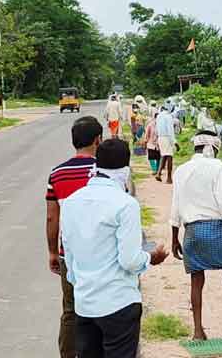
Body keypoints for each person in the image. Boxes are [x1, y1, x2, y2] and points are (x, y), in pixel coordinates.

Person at [61, 139, 169, 358]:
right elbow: (129, 260)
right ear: (126, 169)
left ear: (96, 164)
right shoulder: (125, 204)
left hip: (85, 304)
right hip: (118, 303)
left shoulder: (72, 202)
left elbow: (69, 255)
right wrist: (150, 257)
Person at [170, 131, 222, 341]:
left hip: (191, 232)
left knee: (197, 280)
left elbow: (175, 206)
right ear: (211, 148)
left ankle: (198, 331)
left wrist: (174, 237)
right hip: (215, 228)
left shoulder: (181, 170)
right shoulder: (217, 167)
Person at [45, 116, 103, 358]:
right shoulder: (103, 171)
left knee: (70, 310)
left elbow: (52, 218)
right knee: (101, 307)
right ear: (98, 140)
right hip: (101, 254)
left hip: (69, 254)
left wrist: (52, 252)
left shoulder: (57, 174)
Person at [156, 107, 176, 184]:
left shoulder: (159, 116)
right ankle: (169, 178)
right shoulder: (168, 116)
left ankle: (158, 173)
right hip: (167, 137)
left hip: (160, 137)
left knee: (163, 155)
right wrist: (174, 142)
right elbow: (170, 130)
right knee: (170, 157)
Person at [144, 108, 160, 174]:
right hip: (151, 144)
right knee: (151, 157)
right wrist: (145, 142)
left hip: (159, 144)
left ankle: (157, 169)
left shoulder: (161, 125)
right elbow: (147, 134)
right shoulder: (150, 125)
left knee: (158, 157)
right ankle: (154, 169)